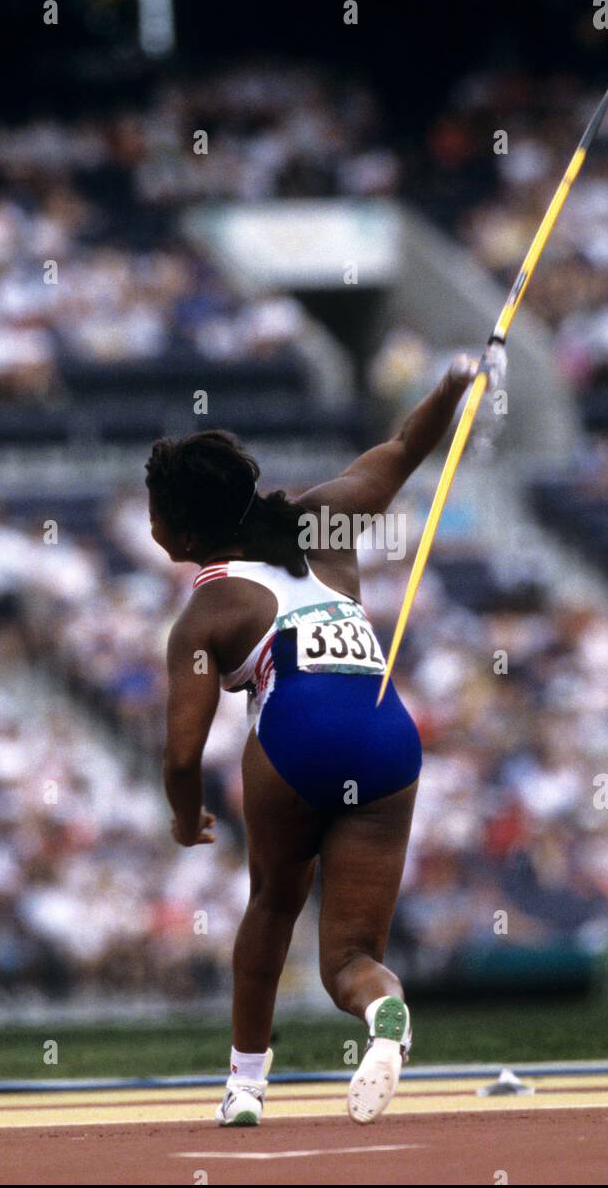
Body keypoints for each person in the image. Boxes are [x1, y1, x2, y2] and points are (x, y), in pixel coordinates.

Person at [146, 353, 483, 1124]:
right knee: (350, 957)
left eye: (154, 510)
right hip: (385, 734)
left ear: (183, 528)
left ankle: (243, 1088)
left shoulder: (207, 615)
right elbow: (404, 449)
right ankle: (381, 1015)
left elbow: (179, 753)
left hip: (297, 740)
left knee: (272, 903)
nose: (150, 524)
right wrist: (453, 385)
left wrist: (182, 815)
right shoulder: (323, 523)